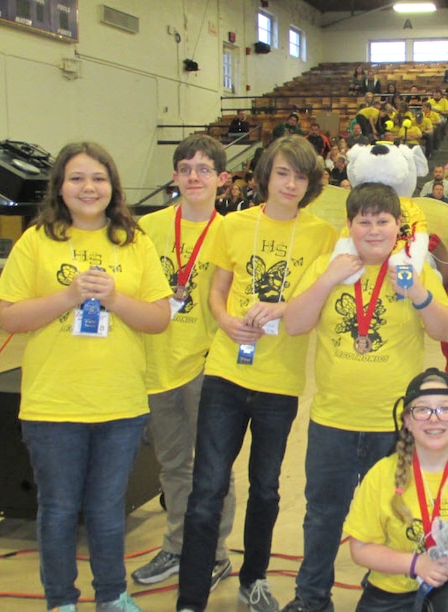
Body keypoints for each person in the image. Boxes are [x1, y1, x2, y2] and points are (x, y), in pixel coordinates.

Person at [0, 142, 173, 612]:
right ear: (60, 186)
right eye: (76, 178)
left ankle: (112, 595)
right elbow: (10, 318)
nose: (88, 187)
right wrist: (68, 295)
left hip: (120, 404)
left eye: (98, 177)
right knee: (57, 511)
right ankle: (61, 600)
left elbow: (158, 319)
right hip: (53, 403)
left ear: (112, 186)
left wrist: (113, 299)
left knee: (107, 510)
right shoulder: (36, 241)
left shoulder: (135, 243)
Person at [175, 135, 337, 612]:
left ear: (311, 184)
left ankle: (255, 578)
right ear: (265, 174)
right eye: (283, 173)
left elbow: (316, 301)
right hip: (226, 373)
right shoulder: (234, 226)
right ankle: (190, 595)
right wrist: (225, 321)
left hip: (280, 383)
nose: (290, 183)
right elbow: (217, 290)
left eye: (301, 176)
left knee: (266, 488)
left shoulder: (321, 235)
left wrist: (280, 307)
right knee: (207, 487)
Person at [280, 182, 448, 612]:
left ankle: (390, 598)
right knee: (322, 515)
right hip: (332, 420)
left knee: (396, 517)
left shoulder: (414, 269)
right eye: (364, 220)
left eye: (383, 220)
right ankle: (311, 598)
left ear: (398, 226)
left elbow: (447, 331)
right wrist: (327, 280)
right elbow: (295, 325)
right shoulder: (330, 263)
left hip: (393, 424)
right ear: (351, 224)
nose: (373, 229)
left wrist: (418, 293)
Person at [132, 135, 234, 592]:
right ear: (174, 177)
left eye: (204, 169)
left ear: (222, 179)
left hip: (207, 366)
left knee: (214, 467)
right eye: (186, 168)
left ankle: (213, 553)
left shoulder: (232, 232)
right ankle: (176, 545)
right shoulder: (146, 228)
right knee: (172, 465)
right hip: (154, 363)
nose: (194, 176)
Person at [343, 369, 448, 611]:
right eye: (422, 410)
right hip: (394, 587)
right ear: (407, 421)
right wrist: (417, 564)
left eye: (445, 408)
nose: (434, 418)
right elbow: (360, 549)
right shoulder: (381, 474)